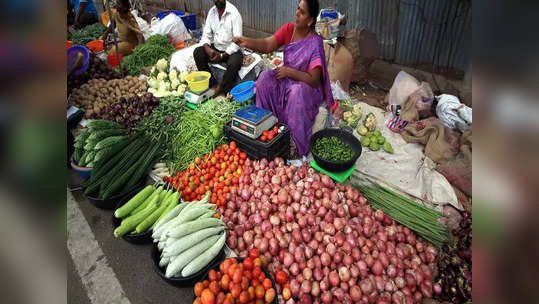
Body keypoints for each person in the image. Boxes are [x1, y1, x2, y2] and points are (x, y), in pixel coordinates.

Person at [233, 0, 334, 157]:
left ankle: (293, 143)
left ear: (310, 20)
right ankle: (266, 125)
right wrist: (246, 41)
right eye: (297, 9)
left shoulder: (315, 42)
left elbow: (314, 79)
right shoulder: (289, 30)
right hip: (288, 79)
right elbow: (268, 44)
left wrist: (290, 72)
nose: (297, 14)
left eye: (302, 12)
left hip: (306, 85)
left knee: (296, 92)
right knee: (265, 78)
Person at [194, 0, 243, 96]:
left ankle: (222, 87)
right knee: (198, 52)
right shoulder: (212, 12)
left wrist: (222, 56)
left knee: (235, 63)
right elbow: (206, 35)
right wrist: (208, 49)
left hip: (231, 50)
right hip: (217, 47)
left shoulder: (234, 14)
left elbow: (238, 41)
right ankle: (213, 84)